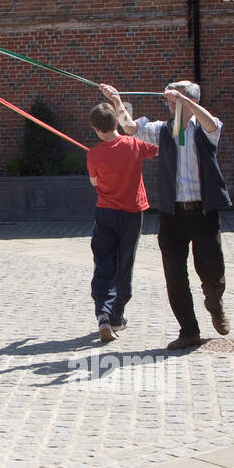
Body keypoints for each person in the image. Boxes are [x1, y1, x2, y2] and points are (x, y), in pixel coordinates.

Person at [101, 81, 230, 351]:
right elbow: (130, 127)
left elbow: (209, 122)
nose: (171, 106)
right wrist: (116, 100)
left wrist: (186, 102)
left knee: (212, 270)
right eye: (170, 103)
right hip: (173, 215)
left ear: (190, 102)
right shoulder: (162, 130)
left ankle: (215, 303)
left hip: (204, 212)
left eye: (175, 103)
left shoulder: (206, 128)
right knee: (174, 274)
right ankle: (189, 330)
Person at [86, 102, 159, 342]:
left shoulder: (93, 154)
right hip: (132, 213)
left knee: (104, 260)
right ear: (117, 122)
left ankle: (103, 313)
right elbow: (158, 149)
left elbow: (95, 185)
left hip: (105, 212)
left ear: (95, 128)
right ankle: (117, 315)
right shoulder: (134, 145)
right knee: (124, 262)